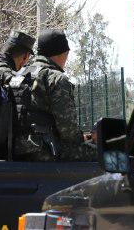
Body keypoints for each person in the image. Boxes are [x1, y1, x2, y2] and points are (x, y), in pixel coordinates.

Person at [10, 29, 96, 162]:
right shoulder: (55, 78)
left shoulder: (20, 74)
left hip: (16, 149)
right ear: (61, 53)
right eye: (67, 53)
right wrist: (82, 138)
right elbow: (67, 130)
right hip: (45, 150)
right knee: (103, 154)